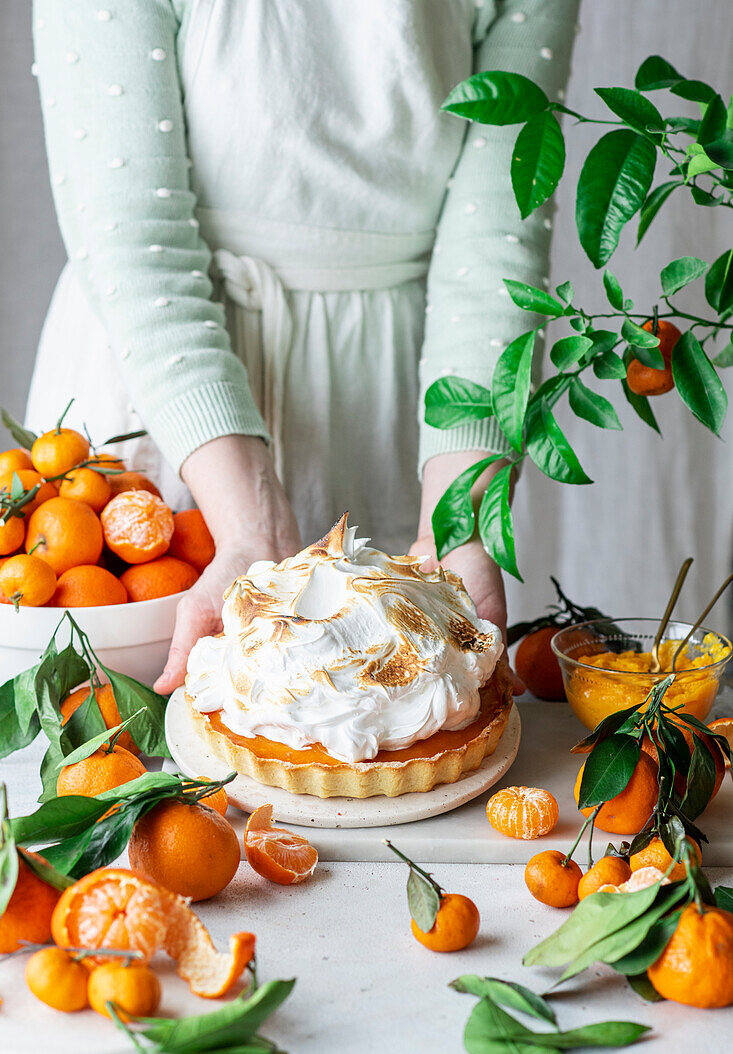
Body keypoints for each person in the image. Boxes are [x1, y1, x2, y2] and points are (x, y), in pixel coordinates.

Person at [29, 0, 579, 693]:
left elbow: (495, 243)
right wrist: (247, 528)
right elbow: (136, 239)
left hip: (391, 400)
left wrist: (454, 529)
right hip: (162, 373)